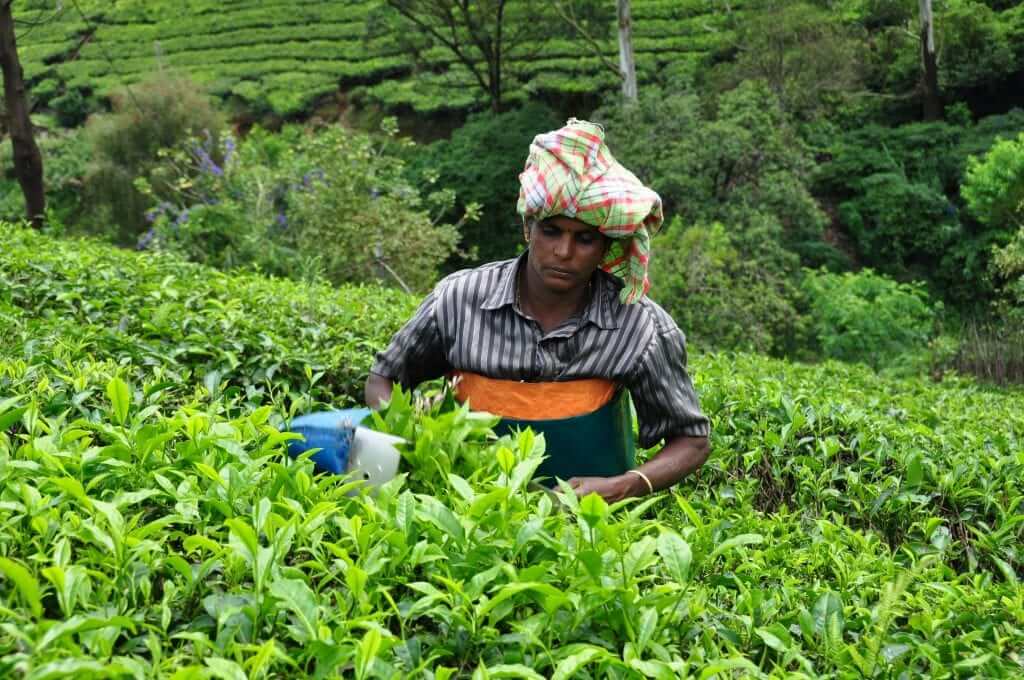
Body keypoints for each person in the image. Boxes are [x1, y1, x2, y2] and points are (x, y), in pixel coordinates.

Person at [365, 118, 710, 502]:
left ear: (605, 247)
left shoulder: (638, 326)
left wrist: (623, 486)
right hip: (468, 514)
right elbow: (383, 379)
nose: (563, 252)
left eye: (584, 239)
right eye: (551, 231)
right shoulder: (459, 300)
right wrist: (416, 439)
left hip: (592, 523)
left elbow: (692, 440)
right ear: (528, 228)